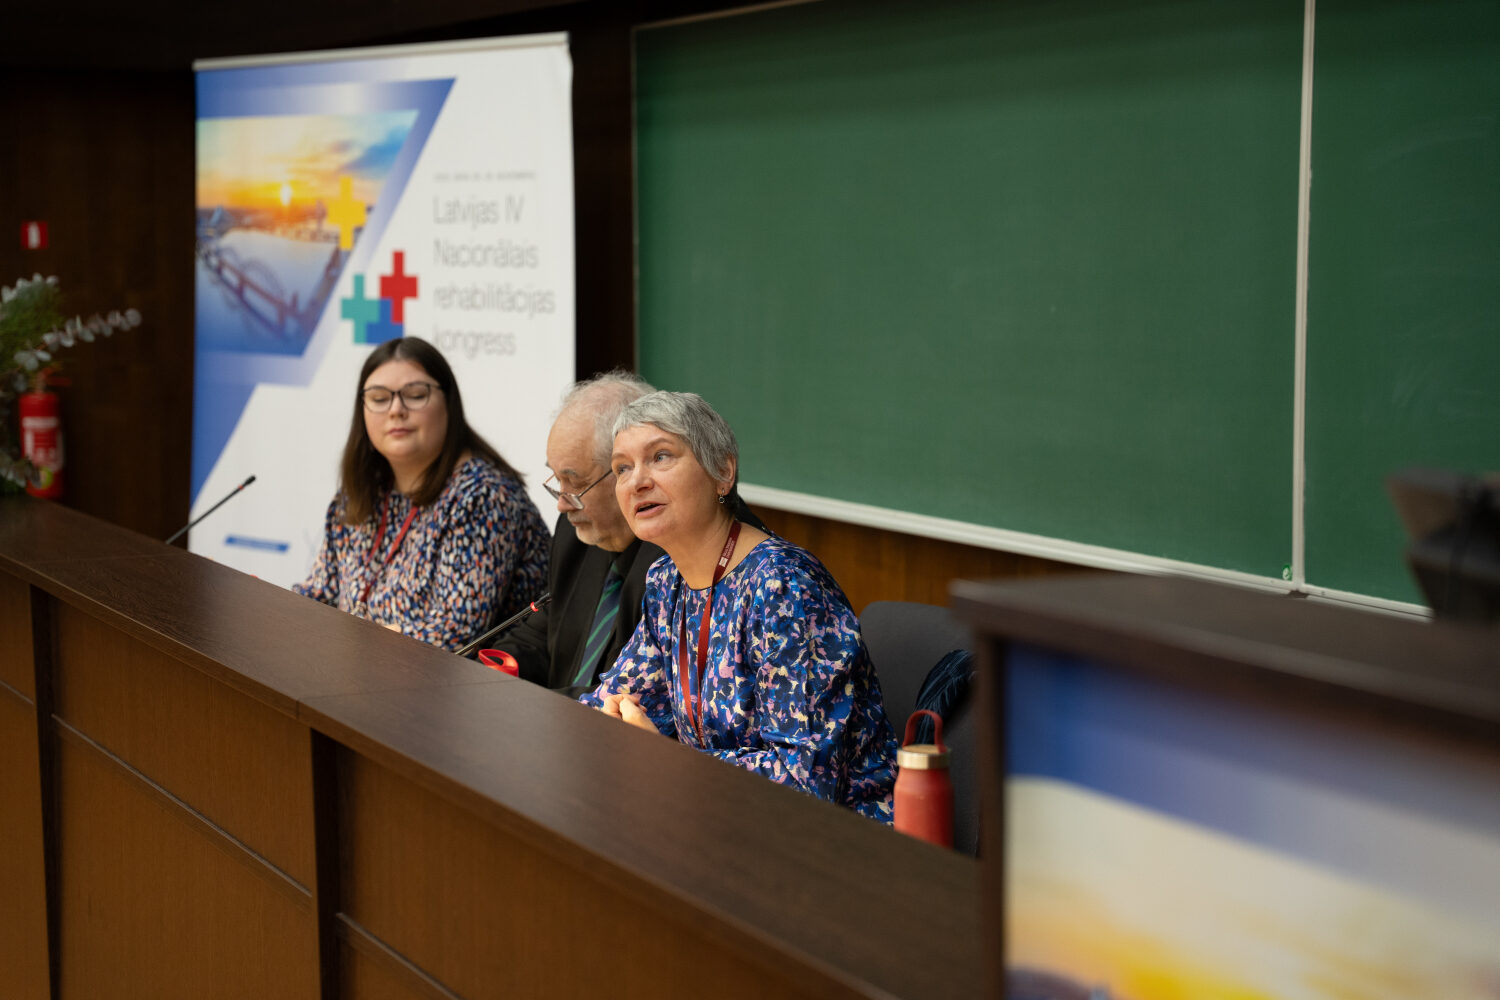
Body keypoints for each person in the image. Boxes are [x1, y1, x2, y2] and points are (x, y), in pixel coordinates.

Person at [581, 391, 897, 821]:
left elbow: (805, 781)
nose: (637, 481)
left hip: (836, 838)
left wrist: (667, 761)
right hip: (720, 819)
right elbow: (617, 703)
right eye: (622, 467)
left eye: (660, 457)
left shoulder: (784, 587)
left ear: (722, 473)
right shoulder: (665, 581)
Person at [293, 336, 549, 651]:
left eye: (415, 395)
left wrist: (353, 642)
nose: (396, 410)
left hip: (457, 681)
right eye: (379, 398)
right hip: (364, 672)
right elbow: (319, 595)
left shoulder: (484, 496)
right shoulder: (361, 491)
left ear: (449, 403)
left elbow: (453, 636)